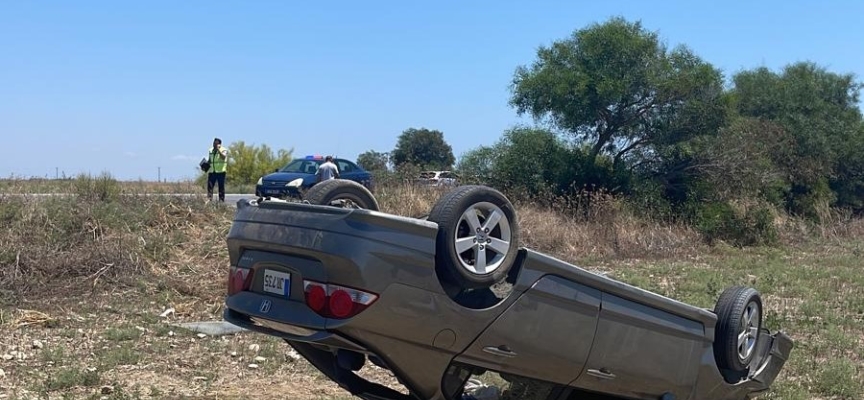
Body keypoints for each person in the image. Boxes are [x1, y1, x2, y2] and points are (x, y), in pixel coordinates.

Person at [207, 138, 229, 202]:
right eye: (214, 143)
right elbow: (210, 160)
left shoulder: (223, 150)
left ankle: (221, 200)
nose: (214, 145)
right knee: (210, 186)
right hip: (212, 171)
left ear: (219, 144)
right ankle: (209, 199)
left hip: (221, 171)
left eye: (216, 144)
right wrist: (205, 165)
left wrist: (218, 150)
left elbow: (223, 157)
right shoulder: (211, 150)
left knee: (221, 187)